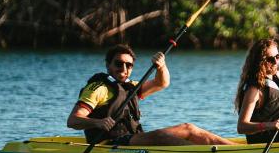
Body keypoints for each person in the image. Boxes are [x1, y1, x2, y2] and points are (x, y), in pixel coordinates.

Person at [68, 44, 235, 146]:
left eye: (129, 65)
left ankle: (234, 148)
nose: (124, 69)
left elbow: (161, 83)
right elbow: (73, 121)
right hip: (110, 143)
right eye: (118, 64)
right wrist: (98, 122)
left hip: (132, 139)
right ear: (108, 65)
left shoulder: (131, 87)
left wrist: (161, 66)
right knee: (160, 136)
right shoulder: (98, 88)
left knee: (188, 127)